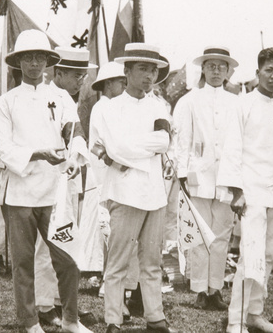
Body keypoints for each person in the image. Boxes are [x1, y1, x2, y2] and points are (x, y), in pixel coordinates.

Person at [0, 29, 91, 333]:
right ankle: (30, 322)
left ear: (48, 62)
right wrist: (38, 154)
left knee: (67, 258)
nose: (34, 63)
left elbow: (74, 133)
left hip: (55, 192)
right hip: (20, 194)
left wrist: (74, 157)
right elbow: (6, 149)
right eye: (28, 57)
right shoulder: (5, 102)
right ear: (19, 61)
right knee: (23, 264)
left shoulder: (60, 97)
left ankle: (71, 320)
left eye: (39, 57)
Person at [91, 42, 179, 333]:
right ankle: (114, 320)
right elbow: (114, 148)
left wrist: (129, 151)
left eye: (153, 70)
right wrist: (139, 150)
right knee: (117, 262)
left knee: (152, 261)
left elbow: (164, 142)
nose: (149, 76)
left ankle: (155, 317)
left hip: (154, 193)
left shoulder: (160, 106)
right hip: (124, 192)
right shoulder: (109, 108)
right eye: (142, 69)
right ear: (126, 71)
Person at [218, 47, 273, 333]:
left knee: (269, 256)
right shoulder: (243, 104)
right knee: (251, 257)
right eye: (269, 70)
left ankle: (255, 314)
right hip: (251, 192)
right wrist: (237, 192)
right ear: (258, 71)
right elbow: (232, 149)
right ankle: (236, 320)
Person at [34, 46, 97, 328]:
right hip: (40, 181)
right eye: (74, 75)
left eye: (82, 77)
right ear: (57, 73)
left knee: (65, 240)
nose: (79, 82)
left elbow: (76, 134)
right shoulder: (43, 95)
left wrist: (75, 155)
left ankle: (60, 303)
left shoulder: (67, 100)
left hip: (65, 178)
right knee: (45, 248)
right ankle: (44, 305)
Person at [174, 46, 239, 311]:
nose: (215, 71)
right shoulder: (189, 100)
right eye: (210, 66)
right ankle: (200, 288)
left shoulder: (236, 102)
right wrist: (182, 173)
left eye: (221, 67)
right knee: (201, 234)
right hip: (198, 174)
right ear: (203, 68)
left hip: (227, 176)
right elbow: (181, 139)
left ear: (227, 71)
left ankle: (216, 289)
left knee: (222, 234)